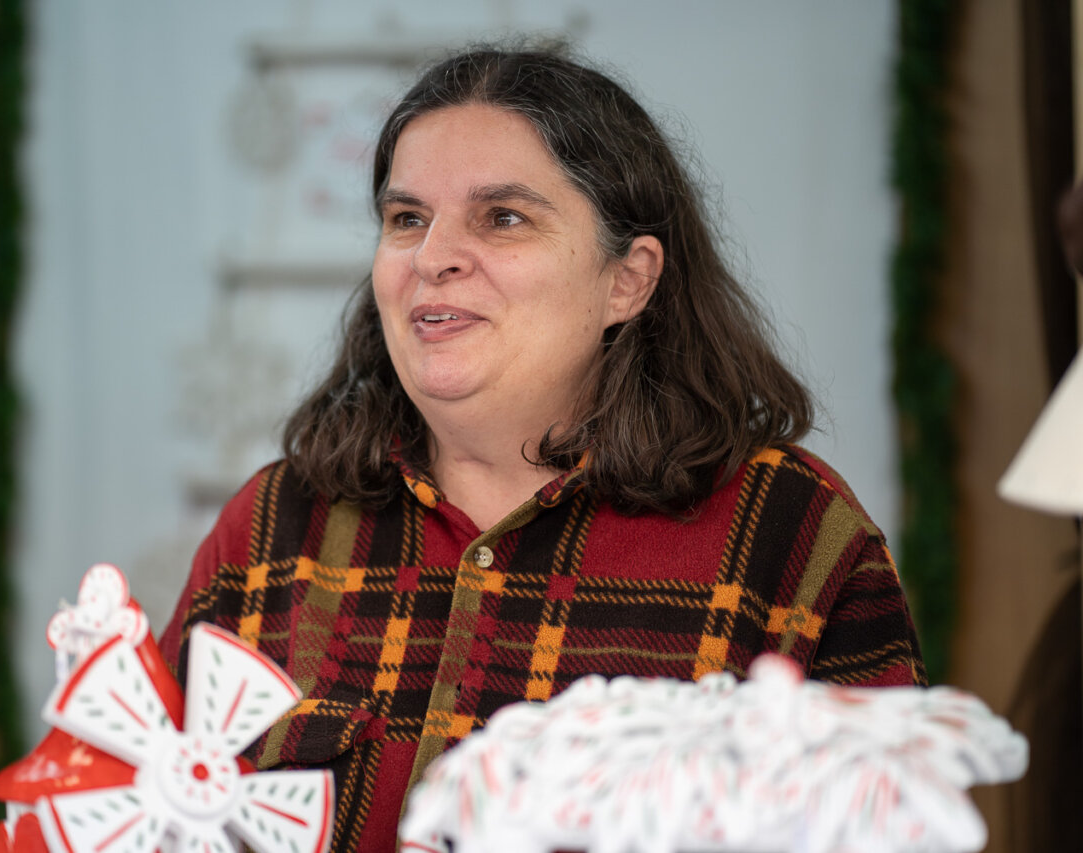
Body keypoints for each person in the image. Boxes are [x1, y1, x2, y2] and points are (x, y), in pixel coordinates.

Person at [159, 45, 926, 852]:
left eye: (503, 217)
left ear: (626, 280)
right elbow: (131, 807)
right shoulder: (273, 525)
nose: (432, 257)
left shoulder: (792, 533)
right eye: (406, 218)